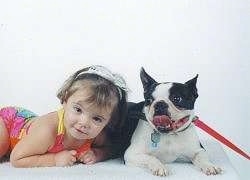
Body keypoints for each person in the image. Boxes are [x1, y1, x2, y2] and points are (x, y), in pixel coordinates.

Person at [0, 65, 128, 167]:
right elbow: (17, 158)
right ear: (65, 99)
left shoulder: (97, 135)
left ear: (109, 121)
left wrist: (98, 154)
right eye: (78, 109)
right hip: (9, 123)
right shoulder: (48, 131)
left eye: (97, 119)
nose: (84, 122)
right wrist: (54, 159)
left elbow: (114, 148)